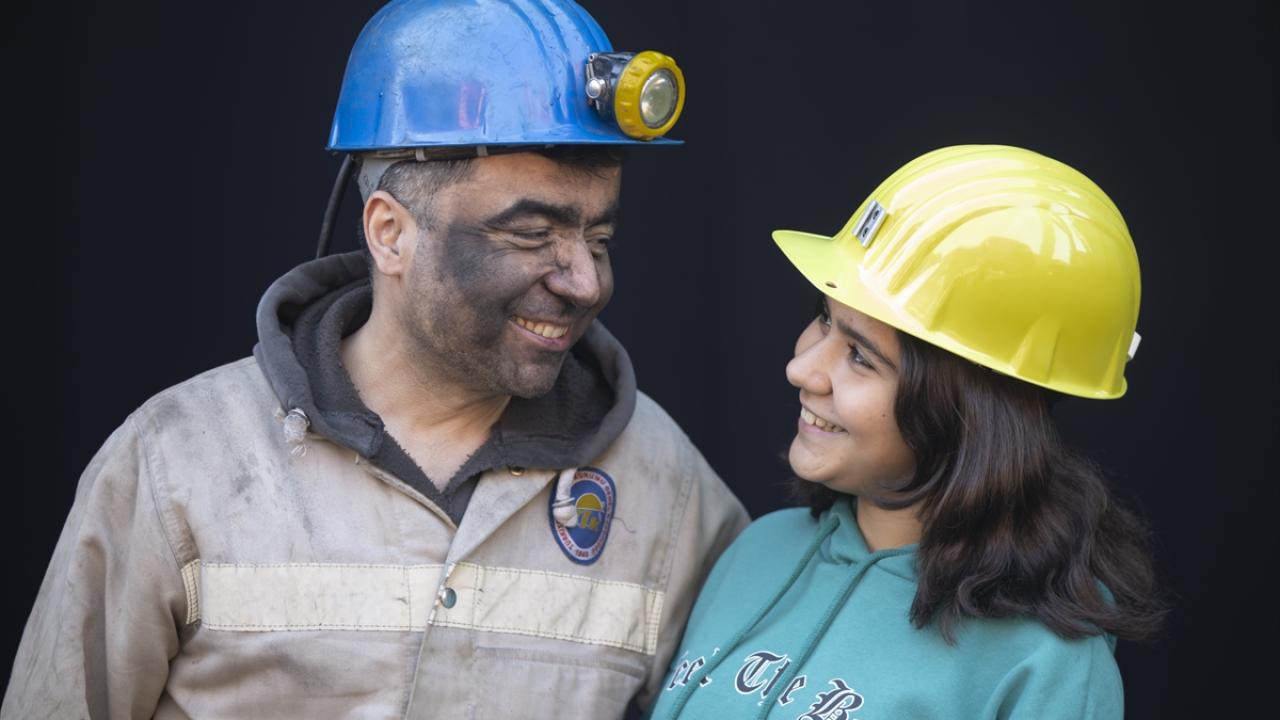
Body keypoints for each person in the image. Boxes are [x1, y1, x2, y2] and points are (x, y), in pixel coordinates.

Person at [2, 1, 747, 718]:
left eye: (600, 240)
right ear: (390, 234)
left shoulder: (668, 490)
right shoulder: (174, 465)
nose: (585, 281)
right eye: (529, 235)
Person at [648, 145, 1165, 719]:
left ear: (969, 413)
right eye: (824, 319)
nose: (802, 369)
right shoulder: (758, 551)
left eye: (861, 357)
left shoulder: (1046, 662)